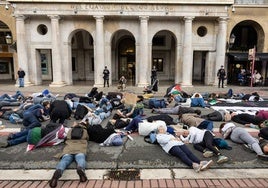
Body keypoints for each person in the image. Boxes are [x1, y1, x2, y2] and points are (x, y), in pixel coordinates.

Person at [49, 122, 89, 188]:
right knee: (80, 158)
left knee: (64, 161)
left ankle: (58, 171)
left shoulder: (70, 130)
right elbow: (87, 138)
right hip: (80, 149)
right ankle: (80, 169)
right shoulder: (85, 131)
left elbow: (66, 138)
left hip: (68, 149)